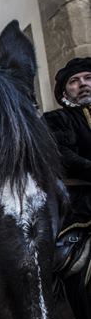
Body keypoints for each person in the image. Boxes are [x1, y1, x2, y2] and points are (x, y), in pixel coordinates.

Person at [44, 57, 91, 222]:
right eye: (74, 81)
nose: (83, 84)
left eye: (88, 78)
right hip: (80, 201)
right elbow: (63, 155)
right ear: (64, 93)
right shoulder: (56, 119)